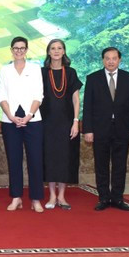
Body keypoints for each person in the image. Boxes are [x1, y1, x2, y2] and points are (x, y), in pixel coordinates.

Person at [82, 47, 129, 211]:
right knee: (101, 165)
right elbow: (88, 106)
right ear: (103, 60)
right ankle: (104, 198)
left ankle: (118, 199)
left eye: (114, 58)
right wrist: (88, 130)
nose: (111, 61)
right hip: (100, 129)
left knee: (120, 165)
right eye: (107, 58)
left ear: (119, 60)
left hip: (123, 129)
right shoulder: (93, 78)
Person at [0, 37, 45, 212]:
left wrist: (29, 115)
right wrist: (10, 115)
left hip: (32, 120)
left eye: (22, 48)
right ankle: (16, 197)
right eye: (16, 48)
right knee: (14, 160)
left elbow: (38, 95)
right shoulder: (5, 70)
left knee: (35, 160)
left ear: (26, 50)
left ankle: (36, 199)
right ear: (11, 50)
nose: (19, 51)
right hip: (10, 121)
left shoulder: (34, 69)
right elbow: (1, 96)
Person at [40, 39, 82, 210]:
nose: (56, 51)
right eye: (53, 48)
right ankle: (51, 196)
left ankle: (62, 197)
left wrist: (75, 121)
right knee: (50, 159)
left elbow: (76, 99)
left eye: (59, 48)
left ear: (64, 51)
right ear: (48, 52)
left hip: (66, 123)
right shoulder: (42, 72)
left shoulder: (71, 72)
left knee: (65, 159)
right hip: (46, 123)